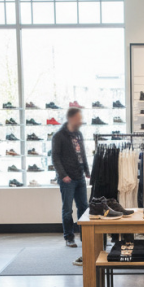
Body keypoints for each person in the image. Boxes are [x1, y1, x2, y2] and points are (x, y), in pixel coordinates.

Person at [52, 107, 90, 265]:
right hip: (67, 178)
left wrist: (87, 170)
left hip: (79, 176)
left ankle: (85, 236)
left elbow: (82, 154)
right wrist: (63, 175)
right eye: (79, 118)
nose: (81, 121)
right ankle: (69, 237)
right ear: (71, 118)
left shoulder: (78, 134)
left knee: (84, 207)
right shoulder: (59, 136)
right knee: (67, 209)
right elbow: (55, 157)